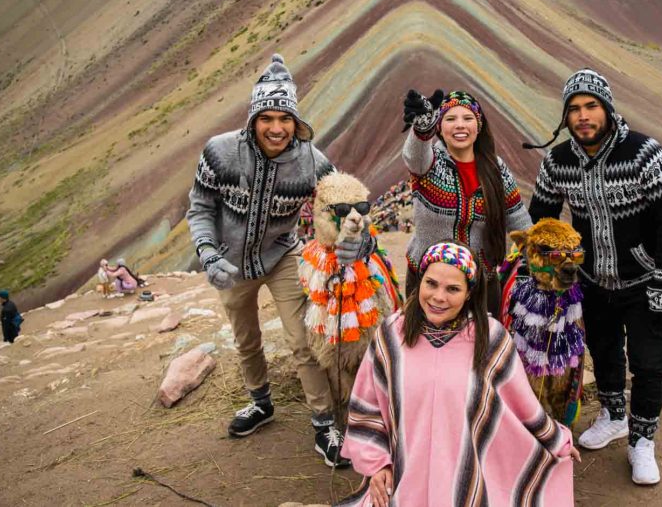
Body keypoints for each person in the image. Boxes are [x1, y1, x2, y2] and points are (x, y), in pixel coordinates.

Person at [185, 53, 368, 466]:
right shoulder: (218, 152)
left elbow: (346, 206)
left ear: (296, 123)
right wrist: (208, 253)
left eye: (284, 118)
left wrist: (358, 242)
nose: (276, 127)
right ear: (252, 120)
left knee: (302, 339)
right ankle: (260, 403)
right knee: (246, 339)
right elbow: (199, 208)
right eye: (266, 117)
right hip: (228, 264)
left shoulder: (314, 162)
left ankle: (324, 424)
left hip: (283, 255)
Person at [526, 67, 662, 485]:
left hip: (646, 280)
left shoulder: (646, 154)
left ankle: (642, 441)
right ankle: (614, 415)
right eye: (574, 109)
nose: (583, 116)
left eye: (591, 106)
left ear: (608, 109)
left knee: (649, 364)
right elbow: (541, 217)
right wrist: (548, 266)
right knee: (604, 350)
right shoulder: (557, 161)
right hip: (591, 280)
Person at [340, 242, 579, 506]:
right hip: (404, 479)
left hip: (468, 482)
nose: (439, 297)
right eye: (431, 284)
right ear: (420, 283)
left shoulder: (490, 338)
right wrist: (377, 466)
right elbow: (367, 407)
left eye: (453, 289)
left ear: (468, 294)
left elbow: (522, 406)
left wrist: (557, 441)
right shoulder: (391, 336)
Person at [401, 89, 532, 313]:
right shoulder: (429, 164)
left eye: (468, 118)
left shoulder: (496, 169)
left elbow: (518, 219)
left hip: (481, 283)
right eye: (450, 119)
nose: (460, 125)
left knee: (481, 345)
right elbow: (414, 156)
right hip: (429, 282)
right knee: (425, 345)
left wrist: (543, 262)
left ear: (478, 126)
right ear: (439, 127)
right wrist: (422, 128)